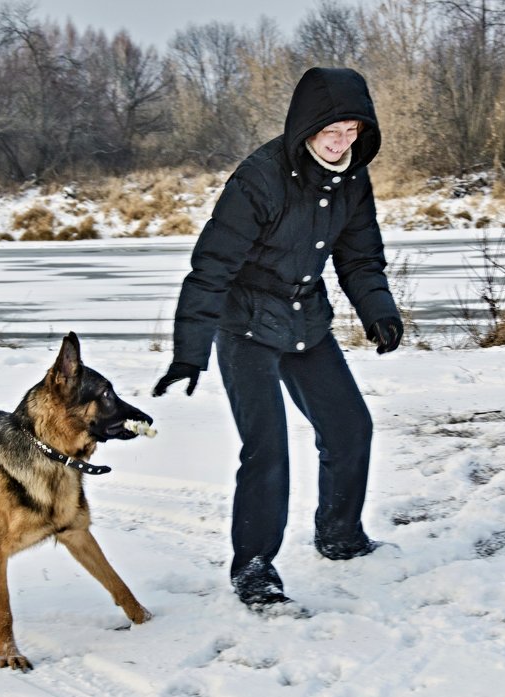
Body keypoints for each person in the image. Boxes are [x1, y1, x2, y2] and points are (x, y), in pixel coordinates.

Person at [153, 67, 403, 612]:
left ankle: (340, 536)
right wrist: (190, 351)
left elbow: (360, 257)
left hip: (306, 319)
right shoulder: (259, 179)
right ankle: (254, 570)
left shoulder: (353, 179)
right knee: (267, 449)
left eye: (351, 133)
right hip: (244, 323)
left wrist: (378, 310)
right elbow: (211, 268)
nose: (341, 144)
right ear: (306, 128)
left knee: (349, 427)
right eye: (331, 133)